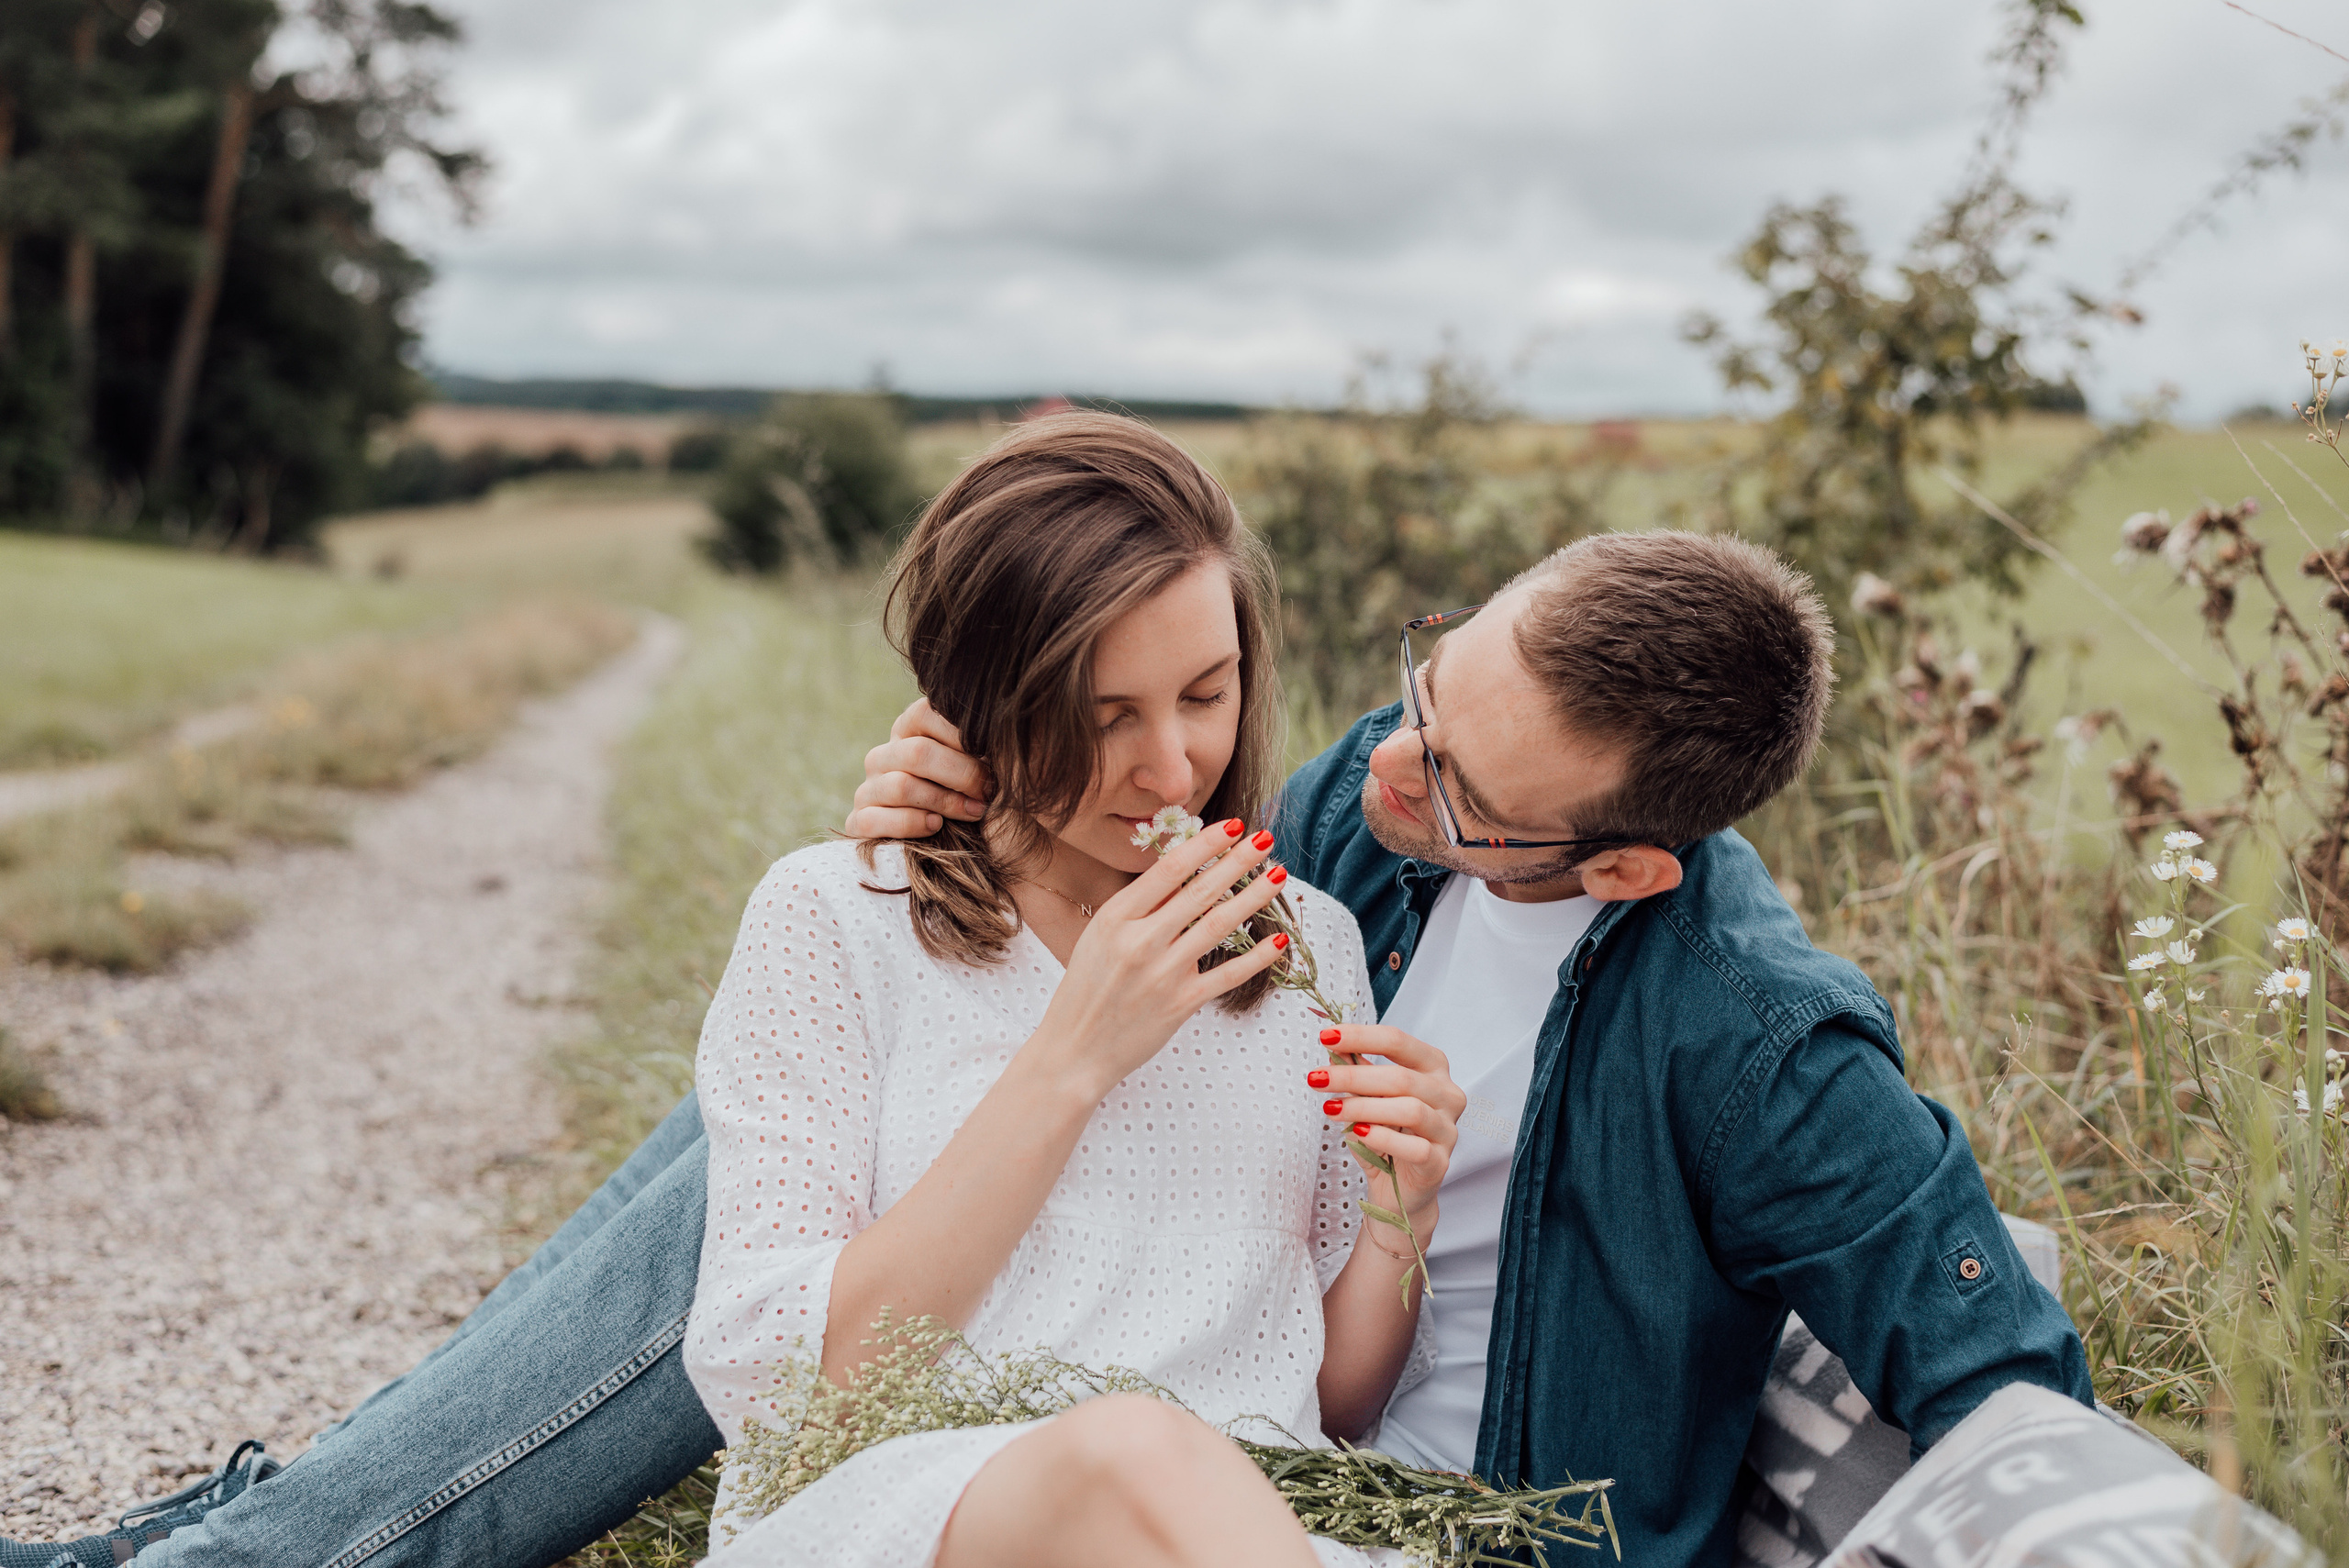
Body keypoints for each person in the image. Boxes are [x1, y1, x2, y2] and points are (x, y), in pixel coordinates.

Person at [2, 457, 2089, 1568]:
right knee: (806, 1098)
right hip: (1044, 1443)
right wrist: (971, 822)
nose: (1367, 772)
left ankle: (264, 1550)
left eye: (1452, 786)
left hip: (1353, 1495)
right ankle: (267, 1544)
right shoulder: (1361, 821)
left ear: (1612, 861)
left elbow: (1989, 1344)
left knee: (850, 1167)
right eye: (1421, 680)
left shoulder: (1748, 1033)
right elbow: (1144, 790)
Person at [685, 412, 1454, 1566]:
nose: (1171, 766)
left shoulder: (1312, 946)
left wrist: (1403, 1208)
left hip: (1237, 1530)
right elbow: (789, 1391)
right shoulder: (836, 918)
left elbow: (1332, 1403)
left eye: (1205, 693)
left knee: (1167, 1472)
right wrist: (1072, 1057)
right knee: (1134, 1456)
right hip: (918, 1514)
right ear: (973, 700)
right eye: (1102, 718)